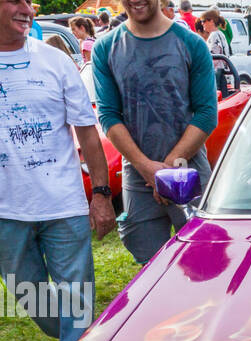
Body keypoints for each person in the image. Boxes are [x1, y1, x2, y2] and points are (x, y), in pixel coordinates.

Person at [0, 0, 115, 341]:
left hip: (64, 206)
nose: (27, 9)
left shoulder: (56, 62)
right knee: (31, 298)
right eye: (15, 1)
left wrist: (101, 194)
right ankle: (73, 337)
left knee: (75, 305)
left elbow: (87, 133)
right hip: (6, 210)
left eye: (29, 3)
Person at [92, 0, 217, 265]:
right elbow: (108, 115)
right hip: (139, 176)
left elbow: (206, 113)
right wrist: (147, 168)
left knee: (204, 261)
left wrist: (168, 168)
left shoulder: (192, 44)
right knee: (149, 267)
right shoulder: (105, 48)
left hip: (188, 170)